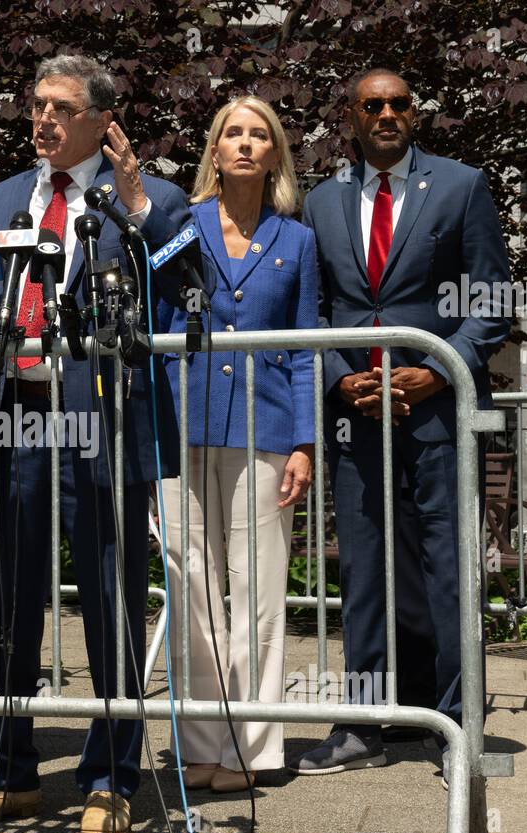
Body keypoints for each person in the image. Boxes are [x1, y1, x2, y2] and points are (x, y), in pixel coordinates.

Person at [0, 55, 189, 833]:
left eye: (58, 107)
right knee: (7, 597)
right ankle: (6, 771)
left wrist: (140, 207)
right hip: (16, 415)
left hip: (103, 420)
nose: (41, 119)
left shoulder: (150, 199)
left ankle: (111, 775)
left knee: (111, 600)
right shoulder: (6, 197)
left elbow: (179, 290)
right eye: (35, 105)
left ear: (100, 119)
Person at [295, 69, 511, 780]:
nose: (387, 113)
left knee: (449, 572)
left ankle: (457, 729)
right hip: (356, 415)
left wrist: (442, 366)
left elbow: (490, 298)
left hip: (437, 415)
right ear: (350, 117)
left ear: (414, 113)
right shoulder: (320, 202)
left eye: (399, 103)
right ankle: (361, 728)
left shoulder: (461, 185)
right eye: (372, 105)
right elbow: (314, 308)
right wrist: (338, 376)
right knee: (362, 573)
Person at [156, 96, 316, 793]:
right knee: (188, 583)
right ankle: (199, 745)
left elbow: (308, 349)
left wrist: (307, 443)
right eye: (232, 134)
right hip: (179, 423)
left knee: (257, 591)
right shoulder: (178, 228)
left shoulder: (298, 241)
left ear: (274, 154)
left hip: (268, 428)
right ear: (214, 151)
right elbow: (157, 320)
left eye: (259, 135)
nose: (245, 145)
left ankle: (252, 749)